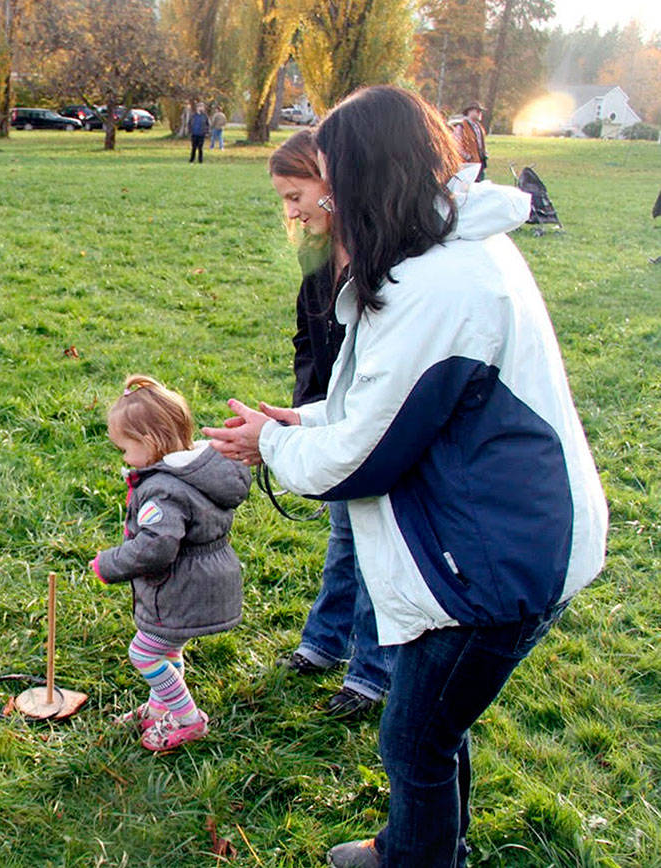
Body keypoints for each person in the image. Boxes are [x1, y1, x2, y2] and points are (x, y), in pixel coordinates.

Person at [204, 85, 607, 868]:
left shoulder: (439, 287)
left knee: (415, 737)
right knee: (431, 730)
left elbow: (363, 456)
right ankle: (421, 847)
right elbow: (387, 409)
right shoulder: (443, 257)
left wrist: (276, 446)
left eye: (333, 173)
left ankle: (415, 859)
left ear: (367, 172)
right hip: (500, 537)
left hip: (498, 564)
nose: (324, 199)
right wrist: (299, 424)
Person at [267, 130, 392, 720]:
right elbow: (308, 339)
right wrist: (304, 409)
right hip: (330, 414)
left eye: (297, 195)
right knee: (344, 536)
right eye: (283, 200)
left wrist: (336, 421)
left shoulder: (384, 257)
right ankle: (324, 642)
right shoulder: (315, 255)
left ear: (333, 185)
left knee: (374, 544)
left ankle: (372, 674)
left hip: (377, 420)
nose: (290, 211)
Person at [91, 375, 251, 752]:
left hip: (182, 587)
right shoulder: (193, 470)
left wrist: (109, 564)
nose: (124, 459)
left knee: (144, 653)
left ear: (149, 443)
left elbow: (155, 548)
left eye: (125, 449)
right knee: (166, 649)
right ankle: (161, 705)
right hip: (201, 581)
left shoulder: (162, 490)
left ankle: (186, 719)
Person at [453, 100, 488, 180]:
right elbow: (456, 146)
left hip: (479, 164)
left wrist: (485, 154)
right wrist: (467, 157)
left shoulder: (479, 127)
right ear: (470, 111)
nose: (480, 113)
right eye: (478, 111)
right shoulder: (461, 127)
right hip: (467, 166)